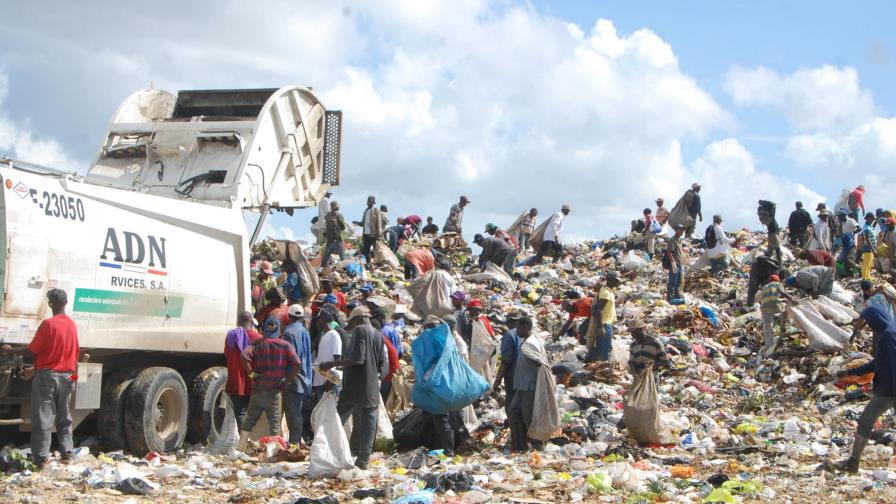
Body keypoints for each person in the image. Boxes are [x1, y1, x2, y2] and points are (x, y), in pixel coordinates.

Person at [1, 289, 79, 467]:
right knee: (64, 416)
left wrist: (11, 350)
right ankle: (67, 453)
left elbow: (32, 350)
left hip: (47, 378)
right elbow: (72, 354)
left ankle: (41, 458)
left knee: (43, 418)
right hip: (68, 376)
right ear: (66, 303)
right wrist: (72, 377)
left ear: (50, 304)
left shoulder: (48, 324)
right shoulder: (72, 325)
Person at [827, 305, 896, 474]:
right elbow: (877, 363)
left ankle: (853, 462)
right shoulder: (890, 332)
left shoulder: (887, 336)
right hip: (889, 388)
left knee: (865, 421)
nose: (870, 327)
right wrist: (850, 372)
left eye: (870, 322)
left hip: (888, 391)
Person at [319, 306, 385, 470]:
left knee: (337, 417)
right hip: (371, 386)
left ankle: (327, 452)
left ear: (359, 318)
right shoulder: (378, 334)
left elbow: (357, 358)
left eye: (353, 321)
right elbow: (382, 365)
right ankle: (362, 459)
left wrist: (331, 364)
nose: (352, 325)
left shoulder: (360, 330)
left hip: (356, 385)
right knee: (368, 422)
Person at [238, 318, 300, 445]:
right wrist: (287, 380)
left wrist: (251, 374)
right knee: (274, 425)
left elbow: (244, 356)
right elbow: (297, 362)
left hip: (259, 390)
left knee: (249, 422)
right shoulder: (285, 346)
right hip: (275, 391)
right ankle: (273, 451)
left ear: (264, 329)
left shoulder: (258, 344)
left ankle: (240, 447)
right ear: (279, 331)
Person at [509, 317, 543, 452]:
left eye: (518, 327)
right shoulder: (526, 342)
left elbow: (540, 363)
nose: (516, 330)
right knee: (514, 411)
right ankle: (520, 444)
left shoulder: (532, 343)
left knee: (528, 417)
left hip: (529, 386)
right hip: (521, 386)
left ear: (525, 327)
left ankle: (537, 445)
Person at [225, 311, 263, 431]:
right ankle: (246, 438)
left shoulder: (231, 336)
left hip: (235, 382)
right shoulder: (259, 338)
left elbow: (227, 355)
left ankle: (243, 439)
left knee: (240, 413)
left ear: (239, 321)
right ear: (251, 321)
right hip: (253, 382)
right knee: (250, 414)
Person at [281, 305, 312, 444]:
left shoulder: (288, 333)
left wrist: (287, 379)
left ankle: (294, 445)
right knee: (297, 412)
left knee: (293, 414)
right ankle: (296, 444)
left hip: (293, 377)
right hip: (305, 377)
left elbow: (292, 359)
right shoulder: (305, 332)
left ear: (289, 316)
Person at [493, 316, 525, 422]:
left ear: (512, 322)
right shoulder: (527, 334)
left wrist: (497, 380)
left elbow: (506, 360)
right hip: (525, 375)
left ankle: (514, 427)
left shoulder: (509, 335)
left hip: (512, 376)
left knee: (512, 403)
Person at [756, 274, 796, 356]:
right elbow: (782, 292)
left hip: (764, 307)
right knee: (785, 309)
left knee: (767, 326)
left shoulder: (764, 287)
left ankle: (769, 346)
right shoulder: (777, 284)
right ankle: (783, 327)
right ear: (778, 280)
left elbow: (758, 299)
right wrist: (791, 298)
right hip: (775, 304)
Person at [592, 272, 621, 361]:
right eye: (617, 280)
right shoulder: (606, 293)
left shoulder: (608, 290)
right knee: (606, 349)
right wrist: (600, 327)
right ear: (610, 280)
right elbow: (599, 310)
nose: (618, 282)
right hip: (604, 324)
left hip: (606, 323)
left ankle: (599, 365)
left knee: (602, 348)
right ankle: (604, 366)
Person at [353, 196, 385, 262]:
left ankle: (378, 263)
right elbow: (362, 224)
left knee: (377, 250)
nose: (369, 203)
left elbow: (379, 224)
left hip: (373, 235)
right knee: (366, 250)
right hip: (365, 234)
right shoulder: (366, 211)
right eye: (368, 201)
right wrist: (356, 222)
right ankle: (369, 263)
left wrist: (379, 235)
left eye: (370, 201)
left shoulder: (376, 211)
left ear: (373, 203)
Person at [322, 201, 348, 267]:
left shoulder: (327, 216)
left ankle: (323, 269)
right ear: (337, 207)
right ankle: (346, 269)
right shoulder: (339, 215)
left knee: (326, 257)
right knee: (343, 257)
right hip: (337, 239)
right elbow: (343, 227)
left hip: (329, 239)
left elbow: (327, 226)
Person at [665, 224, 684, 301]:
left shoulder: (680, 240)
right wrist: (673, 263)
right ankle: (670, 298)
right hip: (675, 264)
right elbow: (669, 252)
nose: (682, 231)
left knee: (679, 282)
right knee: (672, 282)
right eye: (680, 229)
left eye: (682, 229)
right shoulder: (672, 240)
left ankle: (676, 298)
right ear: (676, 230)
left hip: (680, 264)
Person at [858, 212, 878, 281]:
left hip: (870, 249)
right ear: (868, 219)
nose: (872, 220)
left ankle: (868, 277)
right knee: (866, 265)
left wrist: (876, 221)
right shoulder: (867, 228)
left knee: (869, 264)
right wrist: (873, 249)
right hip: (868, 248)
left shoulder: (869, 227)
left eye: (873, 219)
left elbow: (873, 226)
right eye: (871, 219)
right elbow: (867, 239)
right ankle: (865, 279)